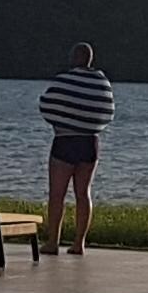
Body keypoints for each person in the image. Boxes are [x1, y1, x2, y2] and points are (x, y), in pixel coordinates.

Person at [39, 43, 114, 254]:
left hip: (65, 141)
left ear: (74, 58)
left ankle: (53, 241)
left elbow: (45, 104)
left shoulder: (64, 79)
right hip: (89, 142)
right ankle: (79, 243)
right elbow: (108, 112)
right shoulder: (102, 82)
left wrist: (59, 121)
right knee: (83, 193)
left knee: (57, 194)